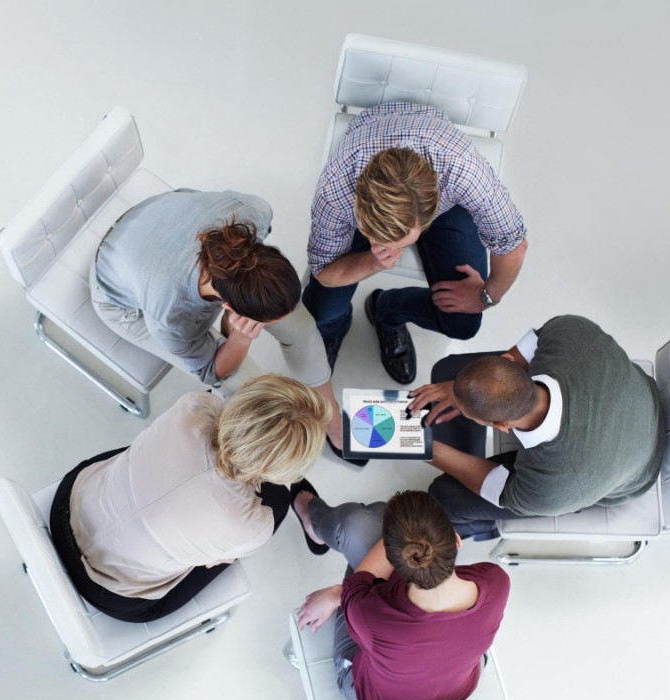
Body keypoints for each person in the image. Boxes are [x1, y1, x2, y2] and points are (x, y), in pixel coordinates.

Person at [50, 374, 331, 622]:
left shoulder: (195, 406)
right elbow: (211, 561)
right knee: (278, 500)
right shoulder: (252, 528)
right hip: (110, 592)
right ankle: (292, 497)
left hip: (68, 508)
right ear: (282, 468)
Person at [91, 189, 346, 454]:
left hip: (154, 217)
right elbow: (213, 371)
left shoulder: (254, 210)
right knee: (246, 385)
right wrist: (239, 338)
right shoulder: (171, 319)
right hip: (118, 295)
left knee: (301, 327)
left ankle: (332, 418)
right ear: (230, 307)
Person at [303, 101, 529, 385]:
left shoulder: (462, 170)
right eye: (379, 237)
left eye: (402, 242)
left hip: (441, 182)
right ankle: (335, 327)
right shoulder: (336, 187)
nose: (395, 251)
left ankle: (386, 311)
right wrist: (372, 261)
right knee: (321, 309)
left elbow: (514, 245)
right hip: (366, 147)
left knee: (464, 323)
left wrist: (486, 295)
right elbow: (324, 269)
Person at [406, 315, 665, 540]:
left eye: (469, 415)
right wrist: (463, 389)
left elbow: (503, 490)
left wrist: (427, 450)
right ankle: (463, 431)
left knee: (445, 496)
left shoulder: (553, 485)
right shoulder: (569, 330)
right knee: (448, 371)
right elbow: (519, 354)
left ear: (501, 425)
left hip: (634, 468)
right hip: (638, 397)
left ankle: (482, 528)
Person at [294, 489, 510, 700]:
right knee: (368, 518)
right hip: (458, 689)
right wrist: (337, 594)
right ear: (456, 539)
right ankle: (324, 522)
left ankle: (314, 521)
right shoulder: (497, 582)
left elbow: (358, 584)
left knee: (358, 523)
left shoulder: (371, 614)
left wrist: (338, 593)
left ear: (393, 560)